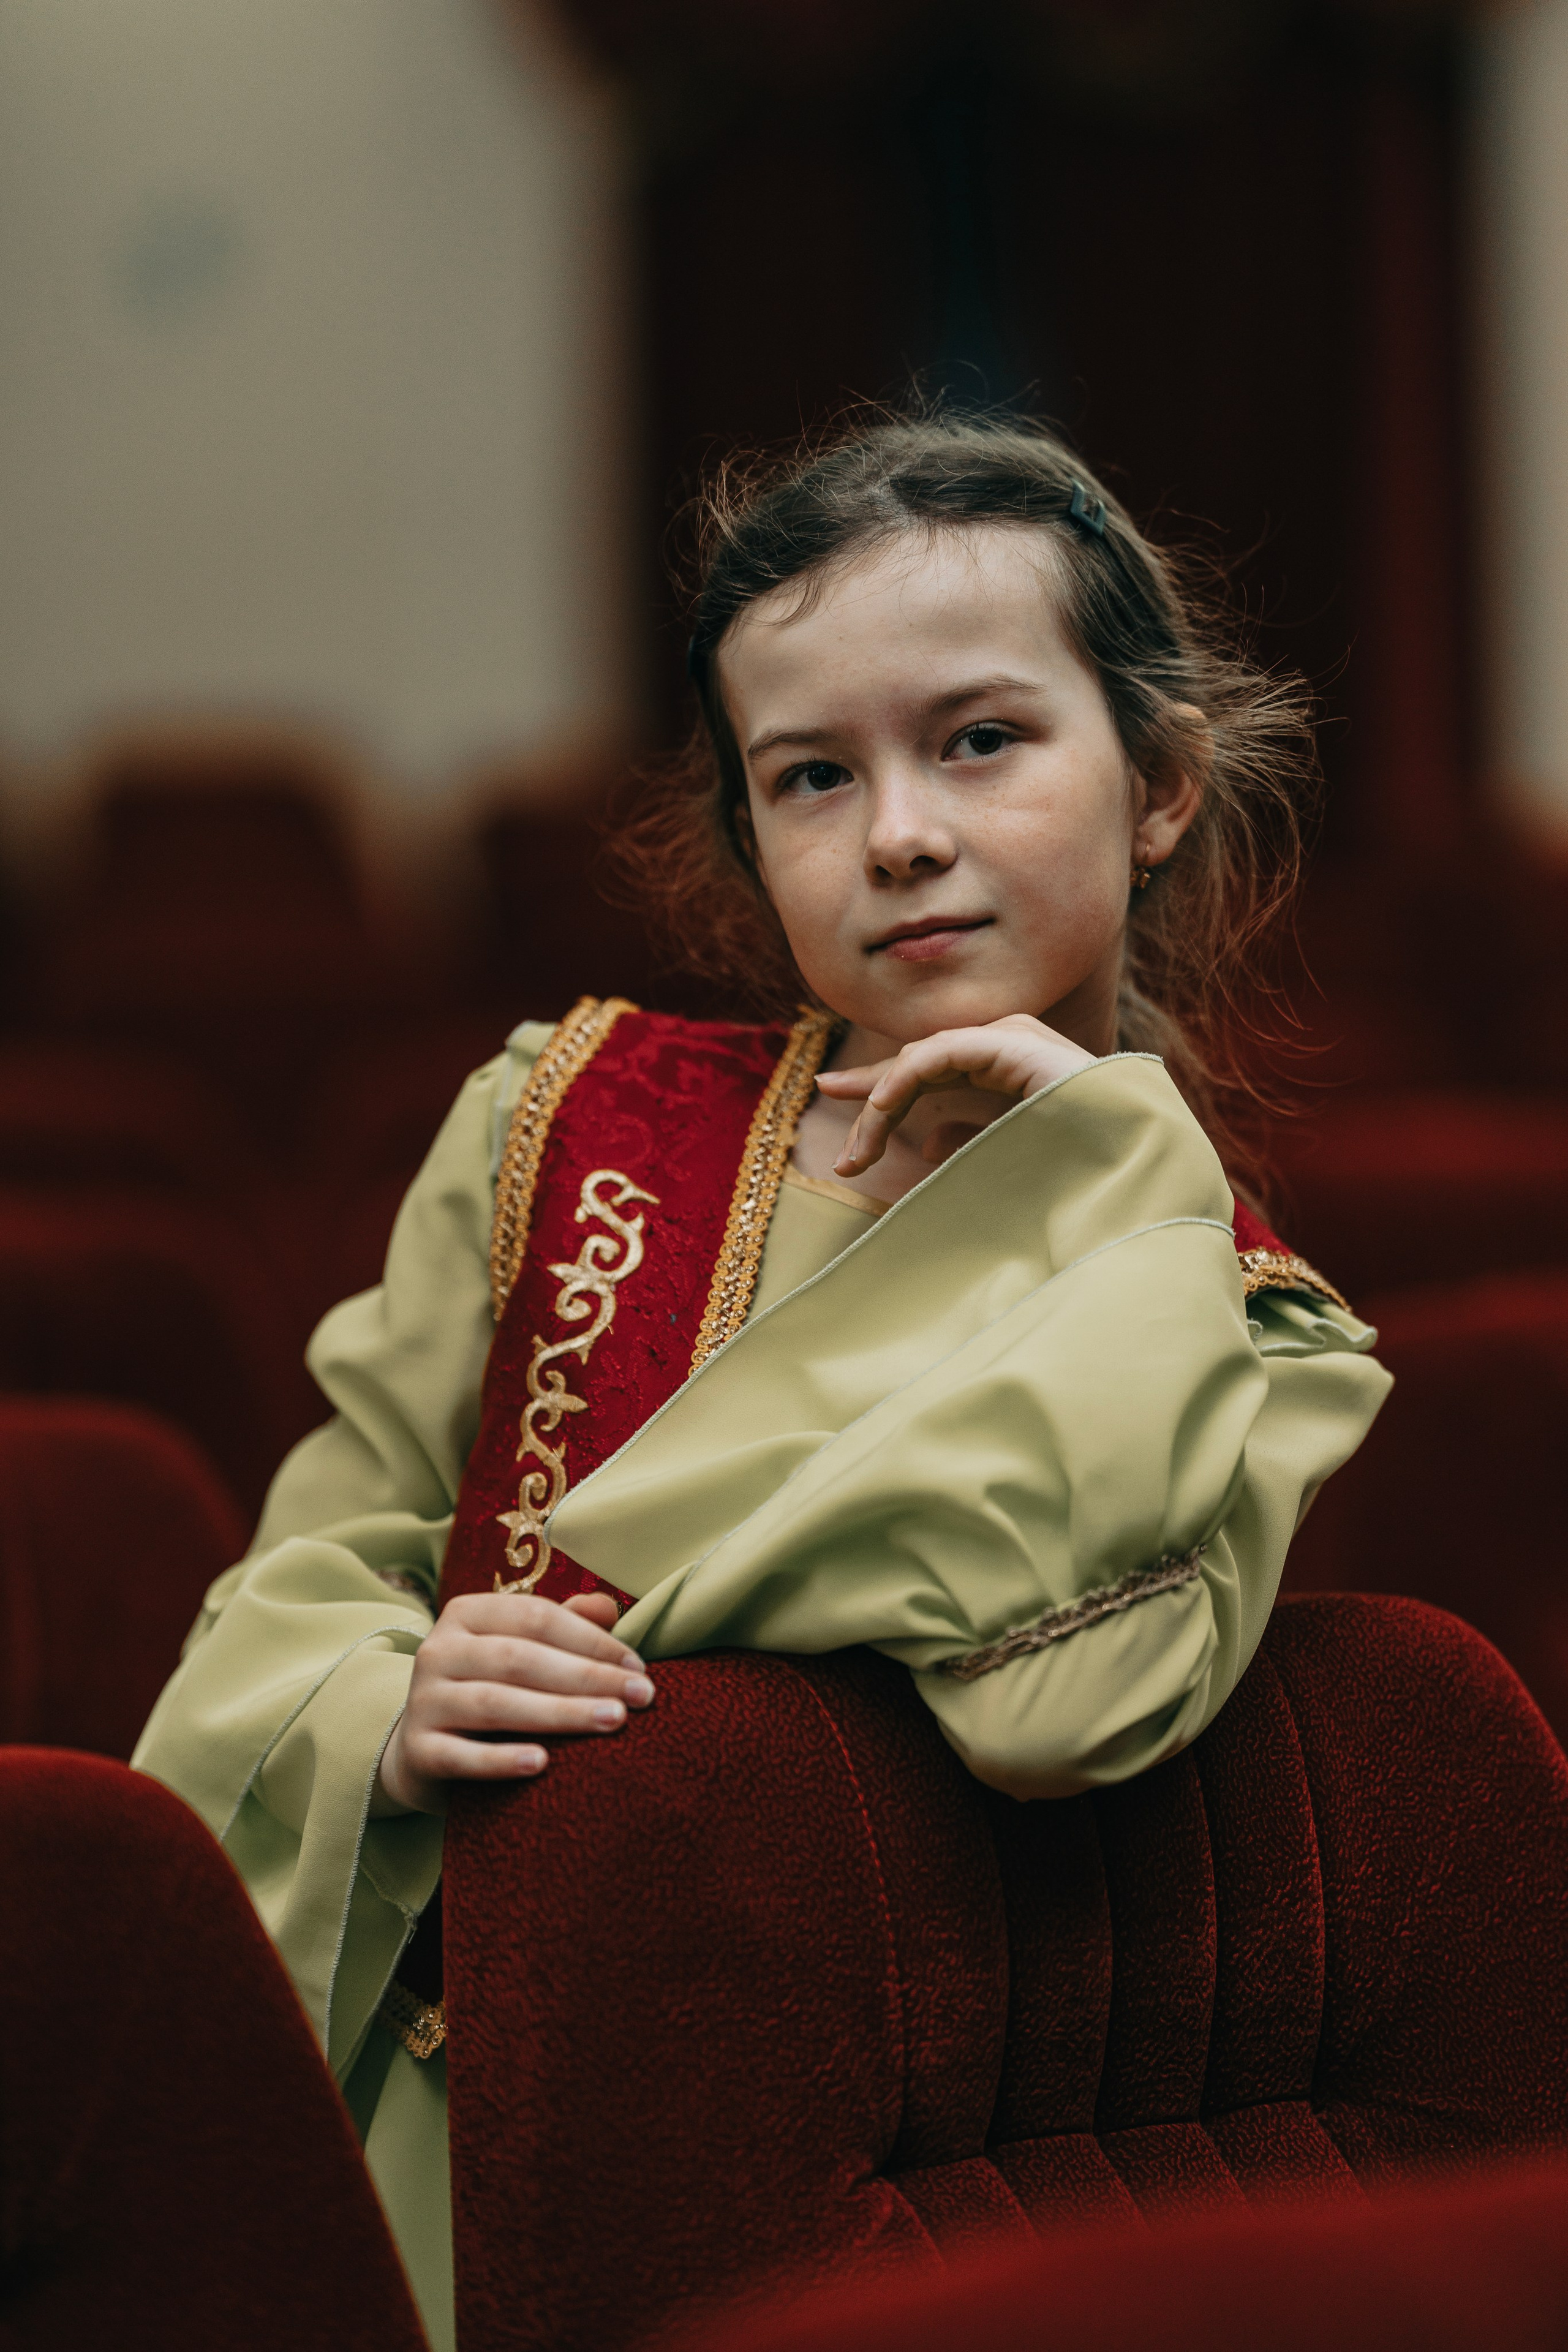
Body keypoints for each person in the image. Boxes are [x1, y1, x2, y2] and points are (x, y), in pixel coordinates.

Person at [134, 411, 1390, 2350]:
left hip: (862, 2176)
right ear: (749, 836)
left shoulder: (1246, 1324)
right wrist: (380, 1700)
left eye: (981, 739)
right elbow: (292, 1593)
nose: (898, 831)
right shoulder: (558, 1120)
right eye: (811, 776)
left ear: (1157, 783)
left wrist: (1119, 1164)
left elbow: (1065, 1694)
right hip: (455, 2106)